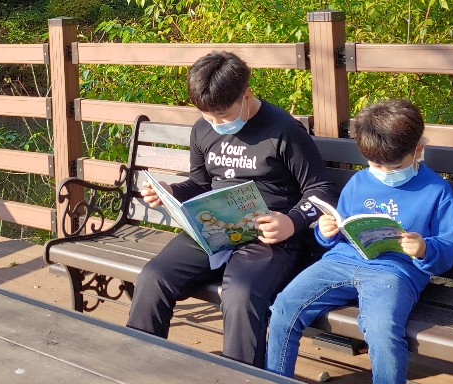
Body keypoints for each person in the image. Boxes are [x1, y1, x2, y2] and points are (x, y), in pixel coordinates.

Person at [125, 50, 336, 367]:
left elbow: (321, 190)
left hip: (269, 237)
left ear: (247, 95)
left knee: (240, 294)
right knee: (154, 277)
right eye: (208, 116)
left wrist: (291, 222)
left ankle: (242, 375)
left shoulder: (284, 131)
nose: (215, 123)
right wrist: (170, 191)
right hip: (213, 228)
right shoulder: (203, 128)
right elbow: (199, 184)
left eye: (222, 116)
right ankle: (136, 367)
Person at [265, 99, 453, 383]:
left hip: (393, 272)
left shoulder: (436, 191)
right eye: (374, 164)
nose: (383, 172)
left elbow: (452, 249)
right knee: (284, 307)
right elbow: (339, 231)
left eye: (394, 165)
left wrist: (424, 248)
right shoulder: (359, 182)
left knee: (381, 330)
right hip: (340, 261)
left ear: (418, 150)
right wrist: (326, 230)